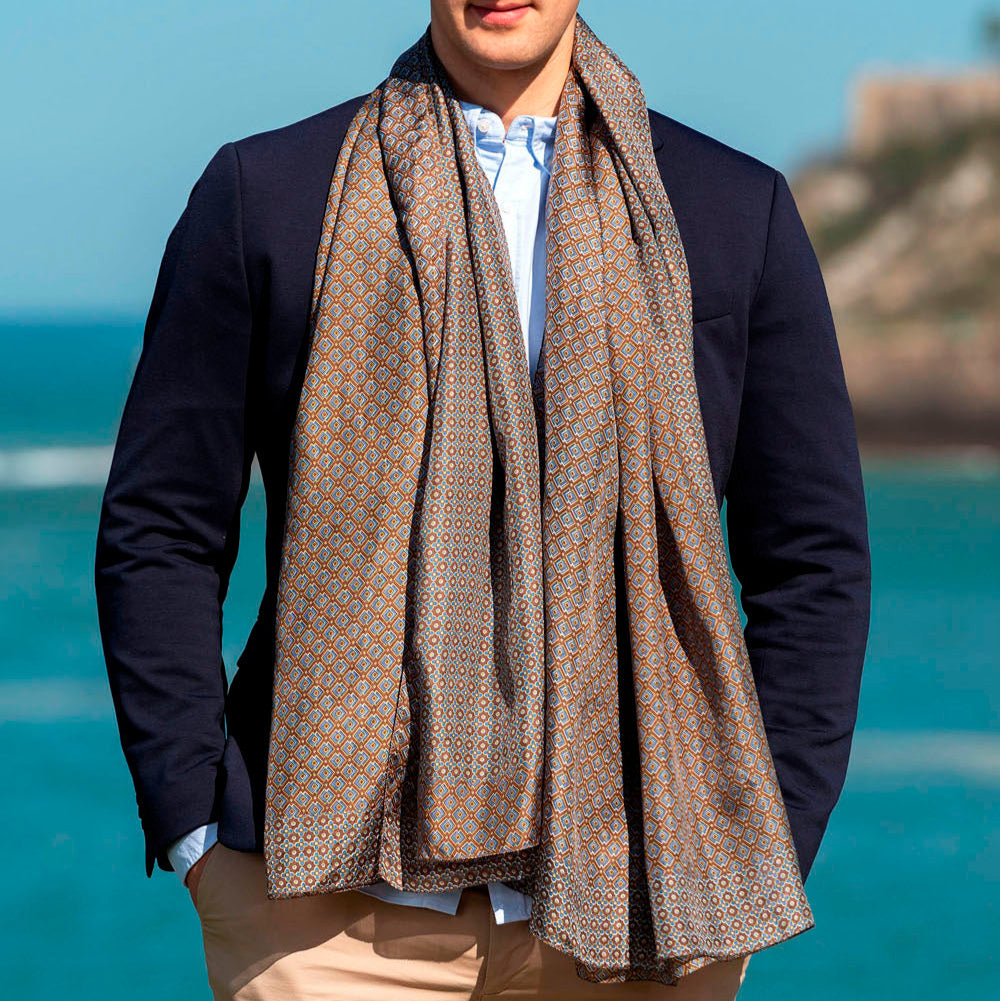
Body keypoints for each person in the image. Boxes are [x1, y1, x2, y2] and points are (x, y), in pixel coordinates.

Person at [94, 2, 872, 999]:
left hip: (647, 901)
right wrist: (195, 828)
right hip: (323, 910)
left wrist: (771, 829)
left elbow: (812, 555)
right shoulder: (270, 192)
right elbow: (160, 523)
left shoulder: (729, 207)